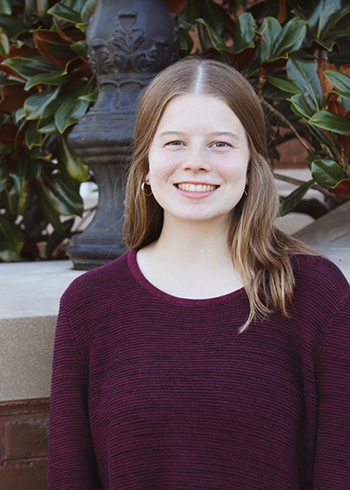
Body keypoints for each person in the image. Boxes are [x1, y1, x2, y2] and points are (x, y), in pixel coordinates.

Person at [48, 57, 350, 490]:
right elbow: (70, 476)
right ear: (146, 165)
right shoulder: (90, 305)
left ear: (251, 165)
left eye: (220, 144)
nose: (196, 162)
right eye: (174, 143)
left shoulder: (316, 296)